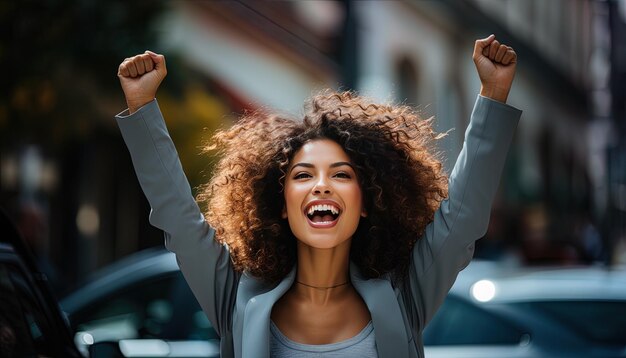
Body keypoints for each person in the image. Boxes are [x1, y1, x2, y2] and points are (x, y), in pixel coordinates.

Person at [115, 35, 521, 358]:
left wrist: (493, 96)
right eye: (304, 174)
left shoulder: (403, 296)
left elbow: (462, 218)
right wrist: (141, 105)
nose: (321, 185)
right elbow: (179, 220)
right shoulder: (237, 298)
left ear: (367, 204)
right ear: (281, 201)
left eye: (341, 175)